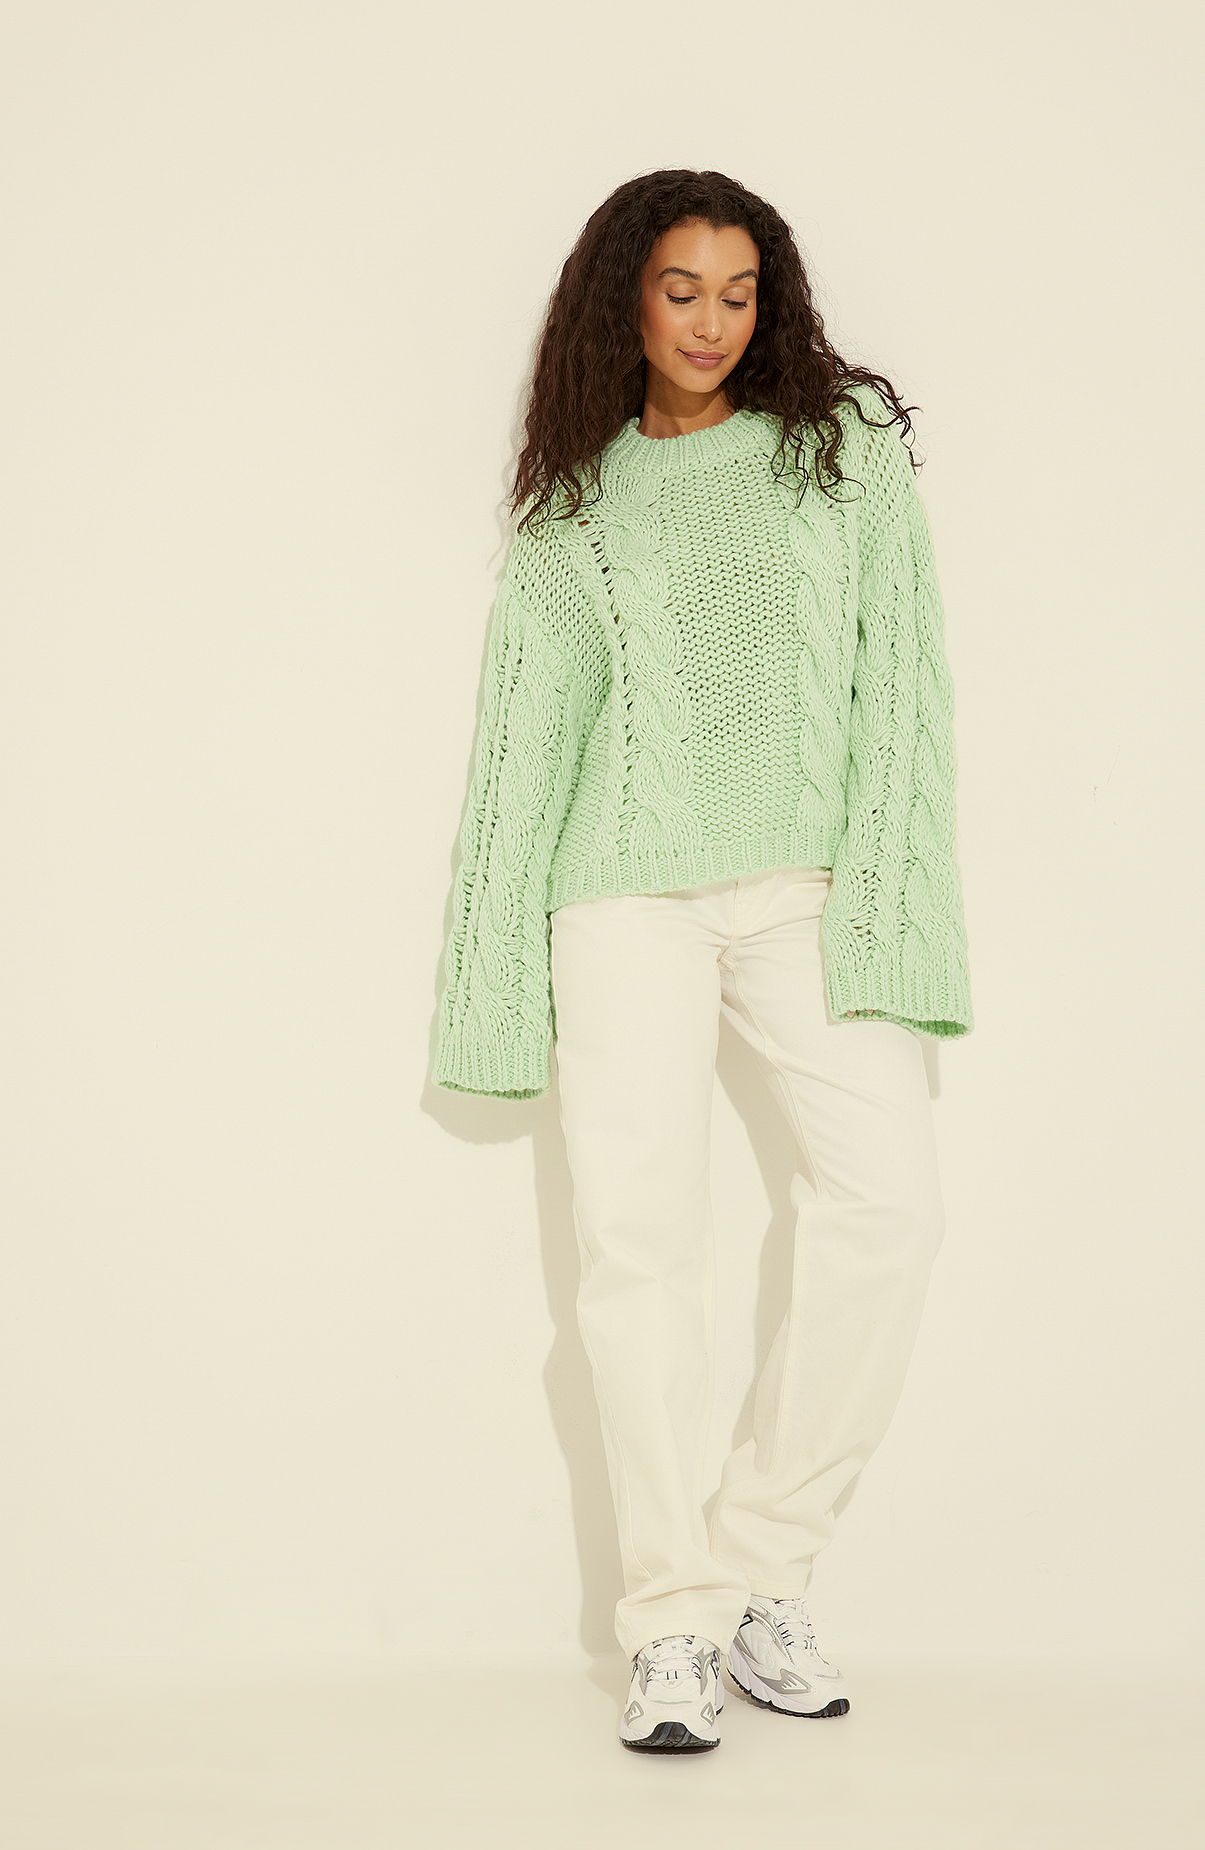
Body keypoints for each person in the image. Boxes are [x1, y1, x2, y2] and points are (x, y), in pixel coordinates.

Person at [432, 168, 974, 1755]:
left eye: (739, 292)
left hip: (806, 890)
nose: (711, 320)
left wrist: (893, 894)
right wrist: (488, 985)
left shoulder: (841, 451)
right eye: (681, 289)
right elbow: (525, 748)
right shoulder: (578, 506)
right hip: (621, 897)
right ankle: (667, 1619)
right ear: (626, 295)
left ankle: (757, 1570)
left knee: (889, 1207)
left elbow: (902, 678)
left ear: (770, 300)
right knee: (639, 1247)